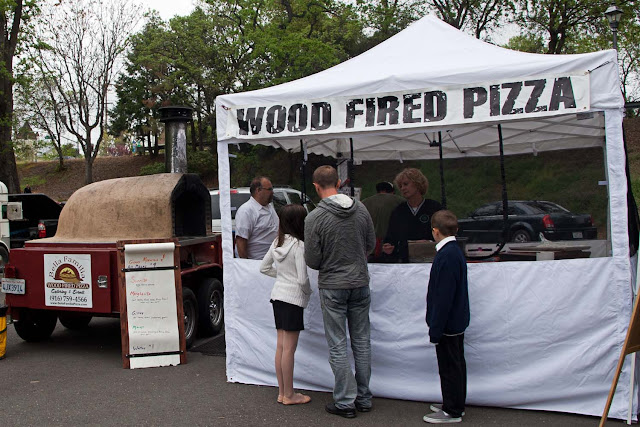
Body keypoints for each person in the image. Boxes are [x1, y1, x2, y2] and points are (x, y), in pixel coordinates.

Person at [304, 165, 376, 419]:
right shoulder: (361, 209)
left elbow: (312, 260)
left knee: (338, 344)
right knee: (362, 341)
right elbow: (371, 244)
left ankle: (345, 401)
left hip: (333, 284)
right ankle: (364, 397)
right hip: (359, 282)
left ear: (316, 186)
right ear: (338, 182)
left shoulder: (314, 218)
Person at [260, 204, 312, 406]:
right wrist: (308, 292)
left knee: (281, 347)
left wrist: (281, 276)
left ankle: (283, 392)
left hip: (278, 297)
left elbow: (264, 267)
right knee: (289, 349)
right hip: (293, 300)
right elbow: (302, 280)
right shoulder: (299, 246)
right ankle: (289, 395)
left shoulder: (276, 242)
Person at [423, 210, 470, 424]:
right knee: (455, 364)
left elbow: (443, 297)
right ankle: (454, 402)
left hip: (448, 324)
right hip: (455, 321)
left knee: (450, 367)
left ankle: (453, 410)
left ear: (435, 231)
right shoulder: (454, 251)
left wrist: (435, 328)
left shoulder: (446, 256)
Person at [382, 168, 442, 263]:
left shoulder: (434, 208)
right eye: (400, 186)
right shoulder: (398, 211)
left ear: (417, 184)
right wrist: (388, 246)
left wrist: (428, 242)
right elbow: (390, 238)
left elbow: (444, 234)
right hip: (405, 262)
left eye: (406, 184)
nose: (402, 188)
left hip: (431, 260)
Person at [235, 176, 279, 259]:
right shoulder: (246, 211)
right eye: (269, 189)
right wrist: (246, 264)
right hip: (256, 262)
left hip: (272, 260)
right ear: (258, 190)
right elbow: (241, 242)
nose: (272, 192)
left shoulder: (269, 207)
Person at [362, 182, 404, 261]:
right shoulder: (400, 201)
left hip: (370, 248)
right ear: (392, 191)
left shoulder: (364, 202)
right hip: (391, 247)